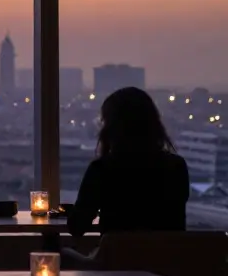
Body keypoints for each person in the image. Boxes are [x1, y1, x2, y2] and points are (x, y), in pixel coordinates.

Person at [68, 86, 188, 237]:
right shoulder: (176, 167)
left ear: (111, 127)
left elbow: (77, 227)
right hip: (164, 259)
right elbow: (177, 225)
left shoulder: (102, 169)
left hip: (116, 259)